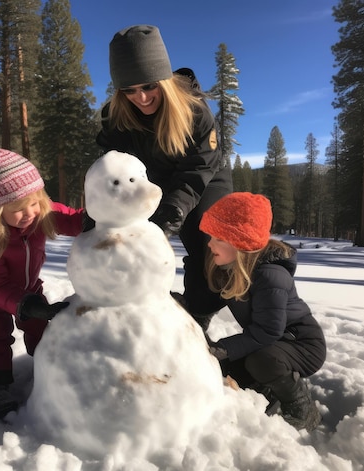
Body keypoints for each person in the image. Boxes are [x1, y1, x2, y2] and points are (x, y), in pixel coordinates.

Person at [96, 24, 233, 330]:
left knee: (208, 241)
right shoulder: (115, 117)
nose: (141, 98)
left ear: (164, 79)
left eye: (148, 86)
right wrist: (98, 217)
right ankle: (131, 307)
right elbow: (110, 170)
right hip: (150, 181)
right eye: (129, 90)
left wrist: (172, 213)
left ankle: (198, 318)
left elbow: (196, 170)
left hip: (204, 176)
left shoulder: (194, 111)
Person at [0, 148, 85, 419]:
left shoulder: (39, 212)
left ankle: (49, 367)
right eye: (17, 209)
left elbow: (70, 218)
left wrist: (93, 220)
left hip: (28, 287)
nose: (30, 213)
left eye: (34, 203)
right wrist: (25, 305)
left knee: (40, 326)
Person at [199, 192, 326, 432]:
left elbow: (268, 331)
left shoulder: (271, 276)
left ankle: (302, 409)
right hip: (270, 343)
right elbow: (205, 304)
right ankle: (267, 389)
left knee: (261, 361)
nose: (210, 244)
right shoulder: (230, 269)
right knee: (226, 368)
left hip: (302, 345)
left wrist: (223, 348)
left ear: (240, 243)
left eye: (219, 238)